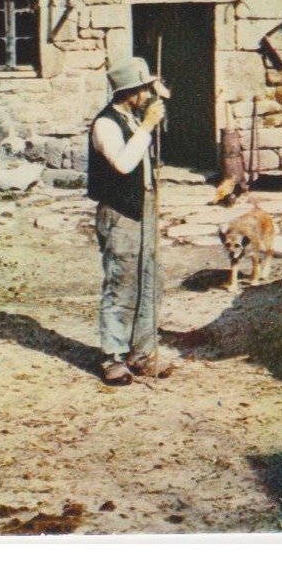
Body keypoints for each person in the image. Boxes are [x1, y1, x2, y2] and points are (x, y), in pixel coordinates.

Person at [87, 56, 175, 385]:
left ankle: (141, 353)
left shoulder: (133, 116)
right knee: (122, 283)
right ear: (129, 92)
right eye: (143, 89)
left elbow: (159, 100)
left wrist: (156, 93)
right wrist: (149, 126)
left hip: (145, 206)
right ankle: (113, 357)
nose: (148, 96)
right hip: (120, 212)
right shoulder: (106, 124)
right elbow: (124, 164)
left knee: (151, 280)